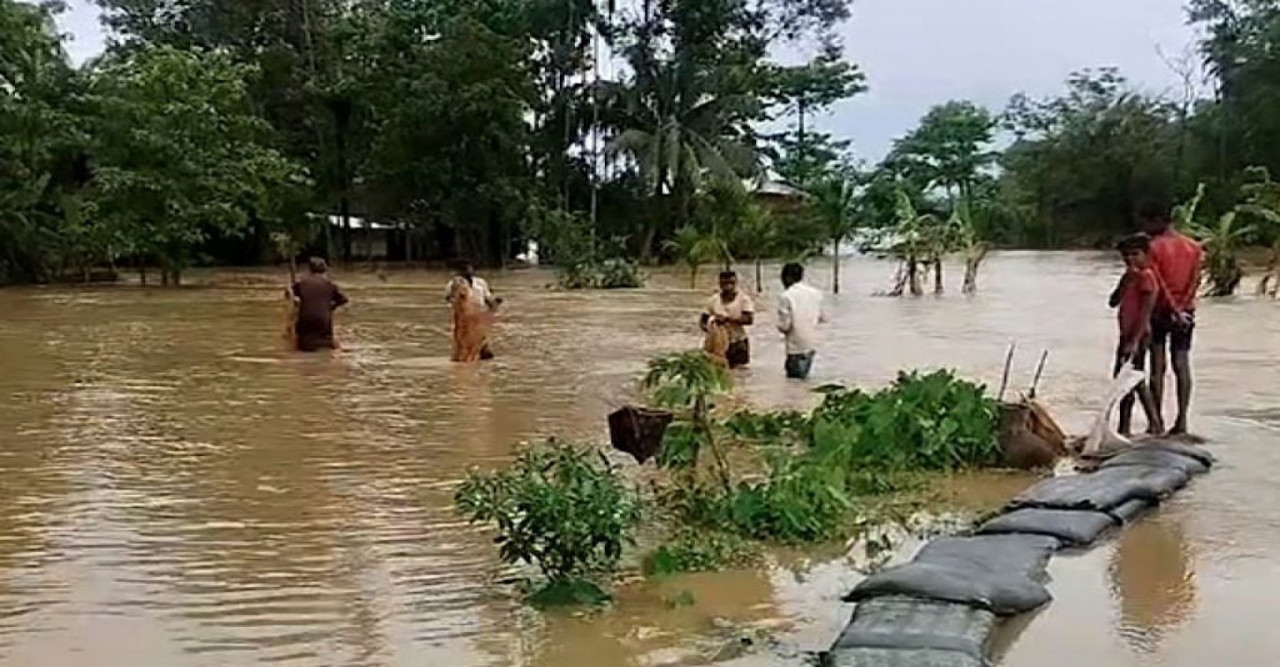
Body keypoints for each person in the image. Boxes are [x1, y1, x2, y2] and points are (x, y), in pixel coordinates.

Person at [1138, 201, 1204, 435]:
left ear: (1156, 221)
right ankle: (1182, 420)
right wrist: (1184, 307)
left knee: (1157, 367)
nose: (1144, 227)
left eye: (1146, 222)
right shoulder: (1193, 247)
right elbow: (1195, 280)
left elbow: (1159, 283)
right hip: (1186, 312)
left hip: (1160, 311)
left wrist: (1174, 308)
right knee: (1182, 364)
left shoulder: (1152, 247)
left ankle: (1156, 423)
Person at [1108, 233, 1164, 436]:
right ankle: (1125, 426)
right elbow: (1113, 302)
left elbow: (1145, 313)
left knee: (1133, 380)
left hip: (1138, 334)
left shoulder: (1148, 278)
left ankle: (1154, 423)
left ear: (1146, 254)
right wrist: (1125, 281)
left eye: (1135, 254)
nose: (1130, 259)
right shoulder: (1129, 277)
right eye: (1126, 256)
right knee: (1125, 381)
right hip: (1126, 333)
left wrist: (1134, 341)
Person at [776, 263, 825, 380]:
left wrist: (778, 327)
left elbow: (785, 326)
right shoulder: (816, 293)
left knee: (794, 382)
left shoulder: (786, 296)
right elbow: (822, 318)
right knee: (803, 382)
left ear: (787, 278)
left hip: (795, 347)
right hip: (811, 344)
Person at [291, 257, 348, 352]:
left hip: (305, 320)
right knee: (328, 344)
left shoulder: (301, 283)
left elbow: (290, 294)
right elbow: (343, 300)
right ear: (325, 270)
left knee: (300, 346)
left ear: (310, 270)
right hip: (324, 321)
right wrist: (331, 308)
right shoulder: (330, 285)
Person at [446, 262, 499, 362]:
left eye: (469, 269)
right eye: (465, 270)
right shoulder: (455, 284)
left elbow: (488, 300)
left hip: (479, 317)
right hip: (464, 319)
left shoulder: (481, 283)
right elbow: (450, 300)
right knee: (464, 347)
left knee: (484, 350)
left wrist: (494, 308)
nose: (468, 272)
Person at [701, 271, 754, 368]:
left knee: (740, 375)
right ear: (720, 284)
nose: (728, 286)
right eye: (725, 284)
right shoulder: (713, 300)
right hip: (718, 343)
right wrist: (712, 328)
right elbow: (703, 321)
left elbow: (749, 319)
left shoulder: (743, 299)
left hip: (738, 343)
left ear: (735, 283)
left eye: (731, 283)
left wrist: (728, 319)